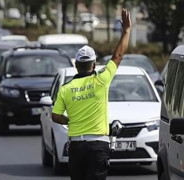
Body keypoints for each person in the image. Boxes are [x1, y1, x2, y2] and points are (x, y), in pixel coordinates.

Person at [51, 9, 131, 180]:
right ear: (94, 64)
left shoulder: (66, 88)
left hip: (76, 146)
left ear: (76, 64)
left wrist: (70, 120)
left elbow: (56, 116)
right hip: (98, 146)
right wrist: (126, 31)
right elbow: (118, 56)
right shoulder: (101, 80)